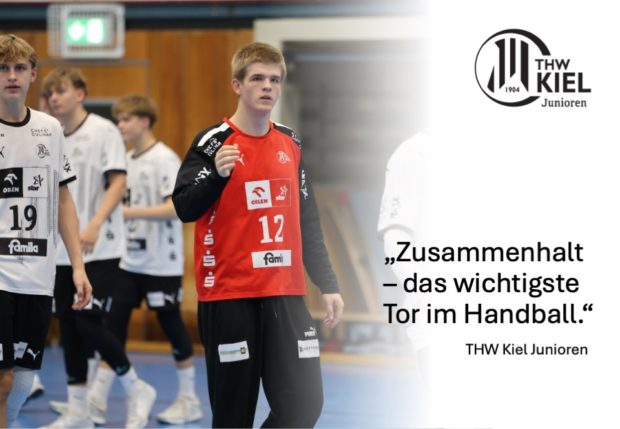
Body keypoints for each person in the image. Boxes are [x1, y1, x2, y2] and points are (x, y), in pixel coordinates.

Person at [172, 41, 344, 428]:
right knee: (233, 416)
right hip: (230, 296)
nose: (268, 86)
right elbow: (184, 206)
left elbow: (307, 220)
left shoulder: (290, 142)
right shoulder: (212, 142)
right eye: (257, 78)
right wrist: (216, 175)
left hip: (285, 292)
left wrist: (328, 283)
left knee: (304, 405)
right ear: (237, 85)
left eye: (275, 80)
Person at [40, 68, 155, 429]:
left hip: (100, 247)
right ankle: (78, 411)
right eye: (50, 92)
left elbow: (118, 182)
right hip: (62, 249)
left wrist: (95, 223)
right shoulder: (52, 134)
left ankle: (136, 388)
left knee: (88, 322)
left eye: (60, 90)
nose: (54, 98)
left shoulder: (103, 131)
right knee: (68, 327)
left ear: (80, 94)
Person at [75, 94, 200, 425]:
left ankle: (189, 398)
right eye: (117, 119)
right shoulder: (126, 160)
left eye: (126, 119)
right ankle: (97, 399)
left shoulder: (165, 159)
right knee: (112, 325)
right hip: (128, 260)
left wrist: (129, 212)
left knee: (170, 324)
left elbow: (175, 208)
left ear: (144, 121)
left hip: (161, 261)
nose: (120, 125)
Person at [0, 34, 92, 428]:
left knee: (22, 381)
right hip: (0, 273)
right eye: (3, 68)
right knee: (3, 379)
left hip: (38, 275)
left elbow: (63, 200)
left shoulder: (50, 129)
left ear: (33, 74)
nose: (11, 76)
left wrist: (78, 266)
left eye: (19, 68)